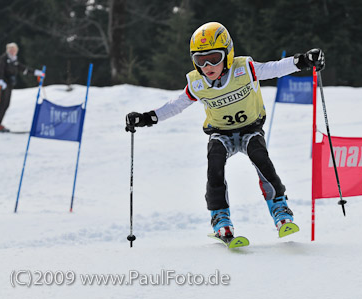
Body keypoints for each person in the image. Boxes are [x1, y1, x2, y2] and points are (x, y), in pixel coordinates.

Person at [125, 22, 325, 239]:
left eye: (214, 58)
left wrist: (303, 61)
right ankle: (220, 216)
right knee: (215, 162)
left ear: (228, 55)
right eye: (200, 61)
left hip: (250, 130)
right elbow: (176, 105)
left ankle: (279, 208)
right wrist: (146, 118)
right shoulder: (197, 83)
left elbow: (274, 68)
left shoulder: (244, 69)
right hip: (221, 133)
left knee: (261, 158)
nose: (208, 66)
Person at [0, 42, 45, 132]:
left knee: (6, 105)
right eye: (11, 50)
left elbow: (23, 69)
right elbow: (0, 69)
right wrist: (0, 80)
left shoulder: (14, 61)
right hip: (2, 85)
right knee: (2, 104)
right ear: (8, 50)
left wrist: (36, 72)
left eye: (14, 50)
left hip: (9, 85)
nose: (13, 52)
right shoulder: (3, 59)